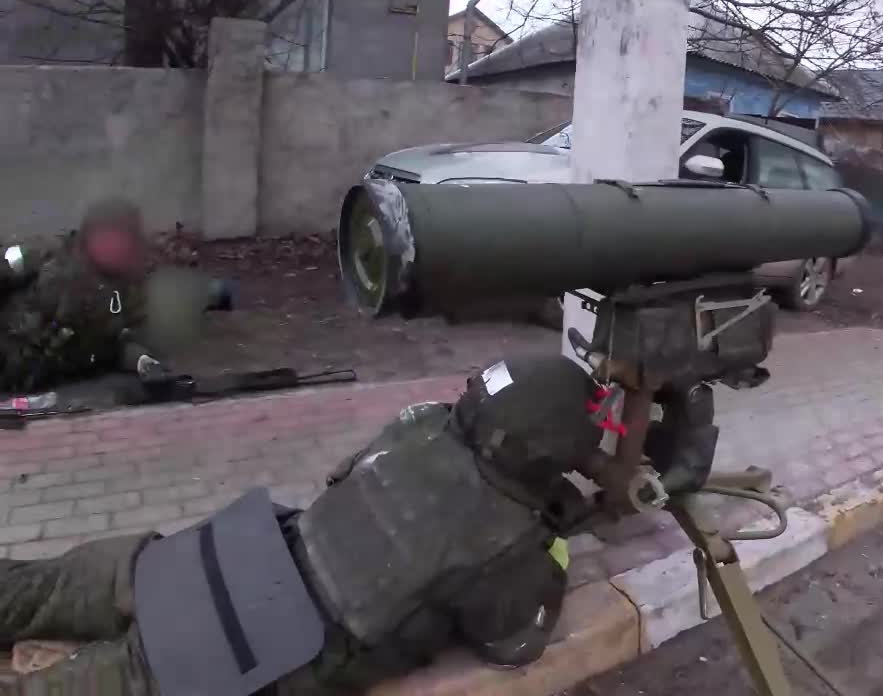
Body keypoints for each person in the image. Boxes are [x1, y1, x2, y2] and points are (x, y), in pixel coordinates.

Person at [1, 354, 603, 695]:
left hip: (203, 560)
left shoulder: (420, 426)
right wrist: (554, 546)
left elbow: (341, 478)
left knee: (30, 589)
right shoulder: (510, 545)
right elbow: (514, 643)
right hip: (222, 657)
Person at [0, 199, 231, 396]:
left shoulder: (123, 295)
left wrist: (143, 363)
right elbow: (6, 265)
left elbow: (116, 346)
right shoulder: (51, 254)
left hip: (40, 376)